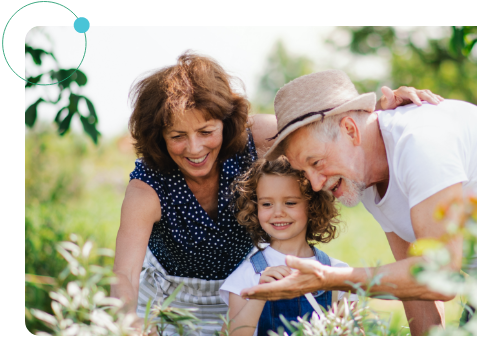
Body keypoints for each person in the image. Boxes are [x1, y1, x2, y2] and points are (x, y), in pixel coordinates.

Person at [240, 69, 477, 336]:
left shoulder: (420, 144)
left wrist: (332, 278)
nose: (317, 184)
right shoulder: (362, 176)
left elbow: (439, 275)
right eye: (306, 172)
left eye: (317, 163)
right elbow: (414, 281)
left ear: (350, 130)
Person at [111, 52, 443, 335]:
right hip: (172, 304)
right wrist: (131, 323)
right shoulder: (147, 189)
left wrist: (384, 116)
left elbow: (326, 129)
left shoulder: (258, 138)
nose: (195, 148)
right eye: (177, 136)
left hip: (245, 291)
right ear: (159, 137)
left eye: (206, 131)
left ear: (226, 124)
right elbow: (124, 276)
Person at [218, 157, 357, 336]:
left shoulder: (337, 272)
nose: (278, 213)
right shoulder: (247, 276)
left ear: (312, 205)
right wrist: (259, 297)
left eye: (290, 203)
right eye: (267, 204)